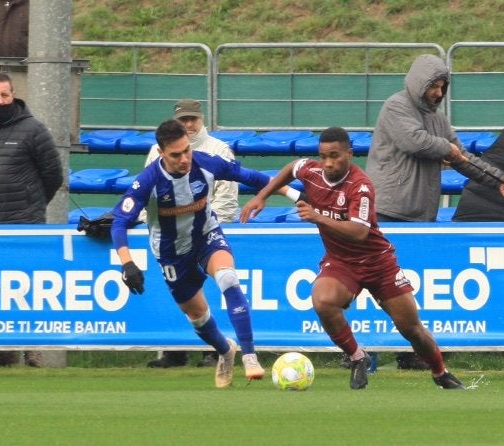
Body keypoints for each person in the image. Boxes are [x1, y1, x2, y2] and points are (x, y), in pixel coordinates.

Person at [240, 126, 465, 390]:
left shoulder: (361, 186)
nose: (328, 163)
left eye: (335, 156)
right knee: (323, 300)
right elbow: (292, 167)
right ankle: (358, 357)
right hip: (341, 262)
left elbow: (359, 232)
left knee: (411, 328)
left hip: (378, 263)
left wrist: (317, 216)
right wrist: (262, 196)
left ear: (350, 153)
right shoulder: (312, 172)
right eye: (323, 156)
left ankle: (440, 372)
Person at [110, 118, 302, 388]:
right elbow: (119, 221)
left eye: (186, 150)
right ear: (161, 153)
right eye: (176, 155)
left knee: (227, 278)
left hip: (206, 236)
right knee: (198, 318)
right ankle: (225, 351)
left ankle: (249, 355)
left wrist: (296, 196)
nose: (184, 158)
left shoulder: (206, 162)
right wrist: (127, 264)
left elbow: (253, 178)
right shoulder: (149, 181)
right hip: (171, 254)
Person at [365, 53, 504, 370]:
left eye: (442, 86)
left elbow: (460, 156)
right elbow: (414, 141)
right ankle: (362, 351)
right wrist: (446, 149)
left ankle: (411, 353)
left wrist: (497, 180)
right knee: (375, 287)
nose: (438, 92)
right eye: (434, 85)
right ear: (419, 82)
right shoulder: (395, 106)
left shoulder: (438, 119)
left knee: (408, 291)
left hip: (421, 217)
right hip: (387, 211)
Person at [0, 72, 63, 367]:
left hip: (27, 223)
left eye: (5, 95)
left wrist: (32, 204)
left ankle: (33, 349)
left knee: (29, 287)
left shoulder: (34, 130)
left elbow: (53, 176)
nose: (0, 101)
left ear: (13, 94)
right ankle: (3, 353)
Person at [145, 99, 237, 369]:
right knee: (184, 294)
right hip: (172, 235)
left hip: (207, 230)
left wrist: (203, 221)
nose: (189, 124)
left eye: (192, 119)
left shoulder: (218, 149)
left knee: (221, 283)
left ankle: (213, 353)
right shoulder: (156, 152)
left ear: (202, 119)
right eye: (183, 120)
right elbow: (147, 195)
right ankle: (175, 351)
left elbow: (227, 197)